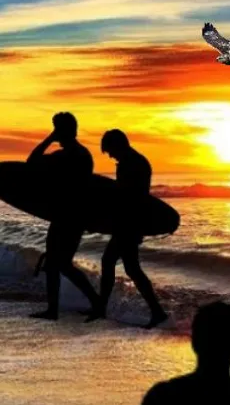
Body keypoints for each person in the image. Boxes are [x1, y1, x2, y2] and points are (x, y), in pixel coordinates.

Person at [88, 129, 167, 328]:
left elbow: (130, 198)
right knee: (131, 268)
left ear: (118, 145)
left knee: (114, 263)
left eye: (110, 151)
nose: (110, 155)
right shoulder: (132, 161)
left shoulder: (133, 164)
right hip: (128, 223)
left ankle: (102, 309)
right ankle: (156, 312)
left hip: (129, 223)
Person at [27, 112, 101, 320]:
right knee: (57, 263)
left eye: (56, 128)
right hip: (71, 215)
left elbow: (31, 161)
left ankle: (92, 303)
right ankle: (58, 309)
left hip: (68, 216)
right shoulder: (81, 154)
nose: (54, 133)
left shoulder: (68, 155)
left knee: (61, 264)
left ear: (62, 130)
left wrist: (49, 139)